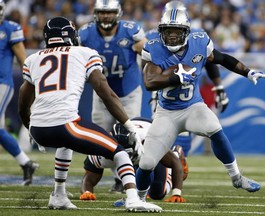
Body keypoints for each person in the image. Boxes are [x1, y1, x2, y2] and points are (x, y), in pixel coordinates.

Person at [18, 16, 162, 212]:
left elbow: (23, 98)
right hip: (66, 125)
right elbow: (106, 92)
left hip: (38, 128)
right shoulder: (84, 53)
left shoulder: (33, 59)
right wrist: (129, 126)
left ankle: (58, 195)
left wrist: (30, 127)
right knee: (119, 152)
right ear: (70, 35)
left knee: (65, 143)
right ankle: (133, 199)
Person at [136, 8, 265, 203]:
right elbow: (149, 82)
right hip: (166, 112)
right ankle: (137, 199)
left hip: (193, 107)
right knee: (147, 162)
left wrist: (248, 72)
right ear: (161, 31)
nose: (172, 36)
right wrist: (176, 77)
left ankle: (237, 177)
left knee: (215, 128)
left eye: (177, 31)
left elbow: (223, 58)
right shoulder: (154, 47)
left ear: (187, 32)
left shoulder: (199, 42)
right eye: (168, 31)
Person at [78, 0, 147, 193]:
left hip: (129, 92)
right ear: (96, 13)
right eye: (102, 12)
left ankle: (124, 179)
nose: (106, 16)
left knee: (129, 137)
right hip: (101, 95)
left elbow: (148, 52)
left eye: (109, 13)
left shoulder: (131, 31)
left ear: (117, 13)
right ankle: (96, 178)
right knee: (100, 138)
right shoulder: (85, 34)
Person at [145, 1, 229, 156]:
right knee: (159, 135)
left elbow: (211, 62)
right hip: (161, 91)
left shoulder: (196, 36)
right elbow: (147, 69)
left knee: (183, 136)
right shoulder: (151, 38)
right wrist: (160, 81)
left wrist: (219, 86)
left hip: (186, 88)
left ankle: (176, 162)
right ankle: (165, 169)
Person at [79, 117, 188, 204]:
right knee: (139, 182)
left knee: (157, 193)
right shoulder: (101, 150)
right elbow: (88, 179)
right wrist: (87, 192)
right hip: (135, 136)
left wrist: (176, 193)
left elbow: (175, 163)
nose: (126, 157)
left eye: (128, 153)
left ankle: (176, 151)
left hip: (149, 131)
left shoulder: (148, 142)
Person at [0, 0, 39, 186]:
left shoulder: (9, 29)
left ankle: (26, 163)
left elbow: (24, 60)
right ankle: (26, 163)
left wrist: (33, 82)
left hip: (1, 83)